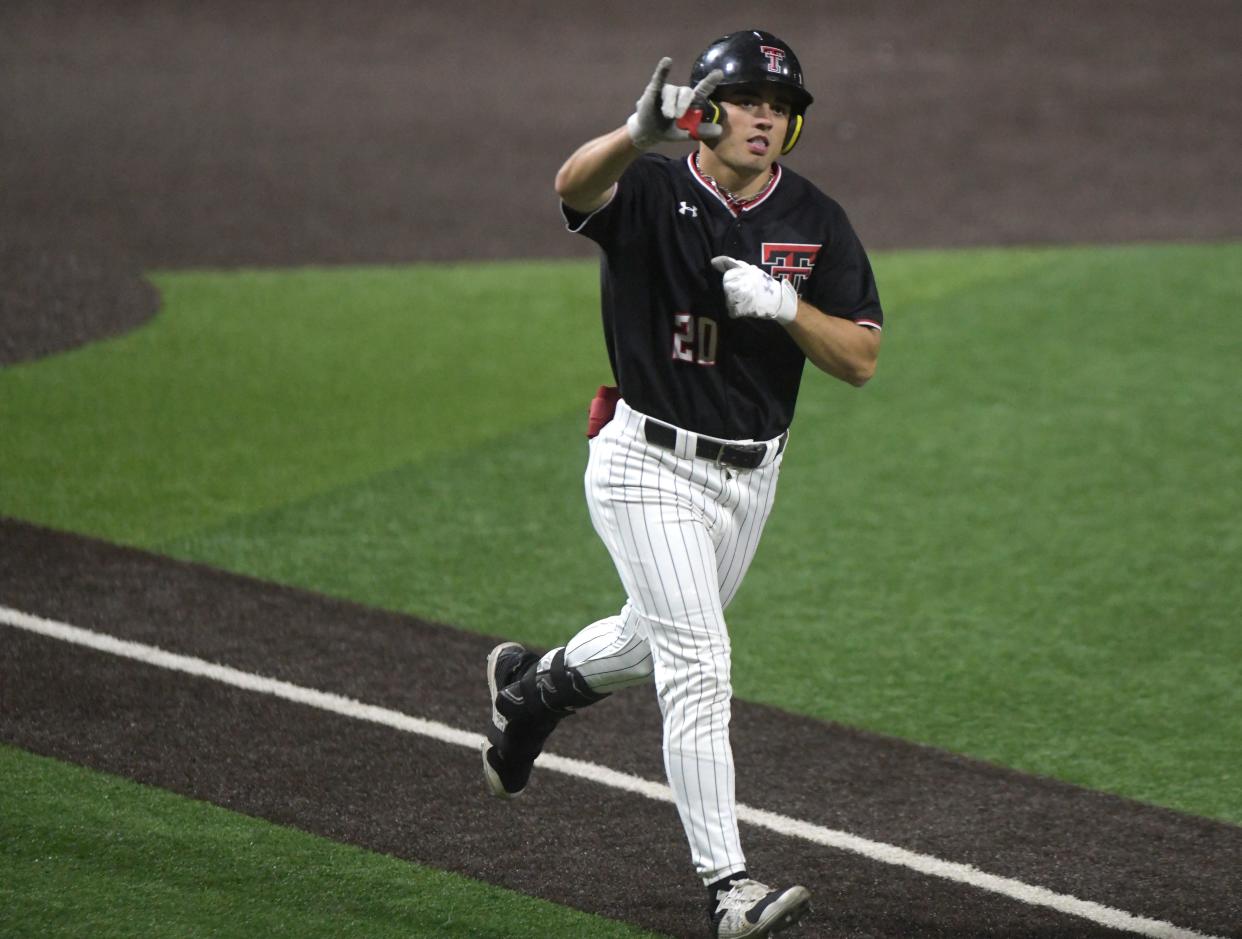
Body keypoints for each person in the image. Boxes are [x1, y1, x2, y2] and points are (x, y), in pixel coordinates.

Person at [481, 28, 883, 939]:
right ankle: (729, 888)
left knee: (651, 639)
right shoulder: (655, 188)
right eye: (748, 102)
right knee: (699, 662)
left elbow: (860, 357)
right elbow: (570, 188)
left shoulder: (815, 221)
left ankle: (532, 689)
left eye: (780, 109)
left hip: (750, 480)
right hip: (644, 462)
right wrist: (632, 135)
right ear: (704, 108)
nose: (765, 121)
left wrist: (789, 308)